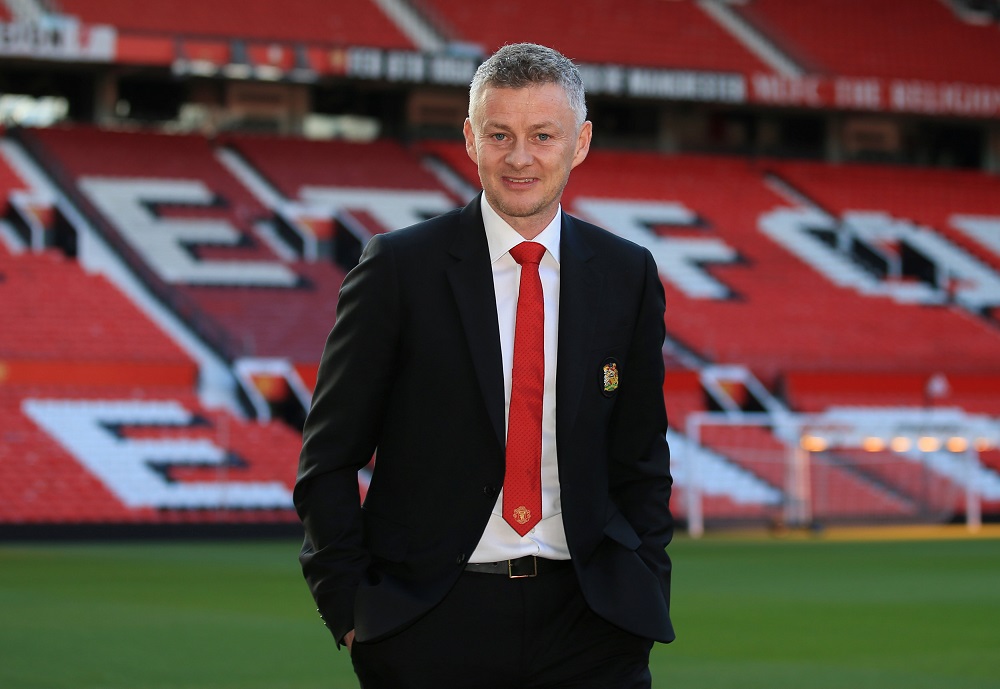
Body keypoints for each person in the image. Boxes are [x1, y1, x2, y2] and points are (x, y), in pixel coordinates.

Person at [294, 42, 674, 689]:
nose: (519, 157)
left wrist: (643, 583)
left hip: (591, 625)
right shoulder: (397, 269)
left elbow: (640, 457)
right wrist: (354, 608)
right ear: (470, 139)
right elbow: (327, 458)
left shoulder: (627, 273)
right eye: (500, 134)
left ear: (579, 142)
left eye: (541, 135)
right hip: (431, 625)